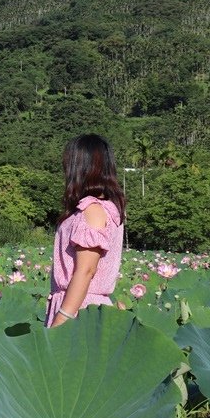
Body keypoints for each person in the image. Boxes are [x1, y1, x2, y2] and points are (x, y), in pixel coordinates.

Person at [46, 134, 126, 328]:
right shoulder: (100, 208)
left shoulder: (94, 210)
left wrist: (62, 318)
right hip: (77, 306)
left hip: (78, 312)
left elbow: (86, 270)